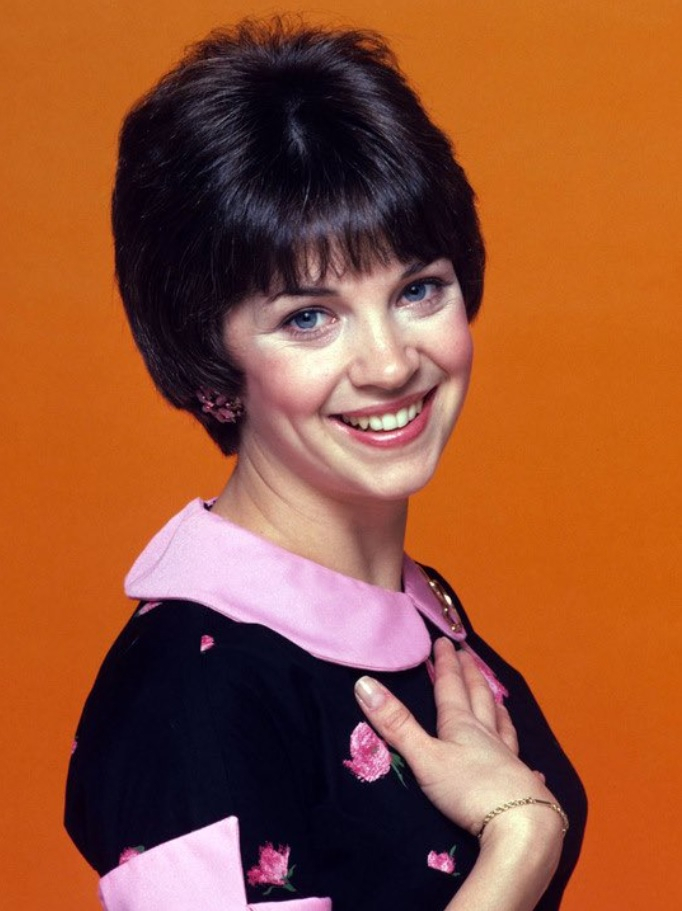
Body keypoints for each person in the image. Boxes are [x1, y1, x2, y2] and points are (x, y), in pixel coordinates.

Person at [65, 18, 586, 911]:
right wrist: (521, 841)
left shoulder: (419, 602)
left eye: (418, 289)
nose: (389, 363)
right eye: (309, 316)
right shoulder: (191, 690)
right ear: (209, 359)